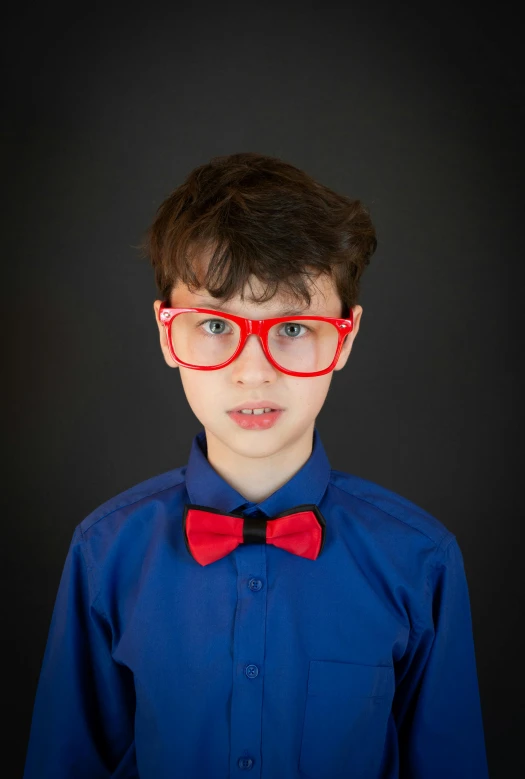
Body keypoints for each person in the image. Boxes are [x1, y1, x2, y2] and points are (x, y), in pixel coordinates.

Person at [23, 152, 490, 778]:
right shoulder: (103, 554)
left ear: (344, 339)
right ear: (168, 336)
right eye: (215, 323)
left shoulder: (421, 563)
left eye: (294, 328)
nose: (254, 370)